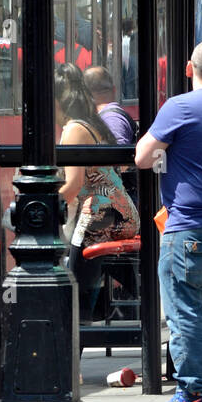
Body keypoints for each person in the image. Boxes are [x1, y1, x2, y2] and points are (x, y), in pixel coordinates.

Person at [134, 41, 202, 402]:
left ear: (188, 68)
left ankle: (194, 392)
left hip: (186, 227)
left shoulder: (178, 107)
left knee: (185, 311)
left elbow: (142, 157)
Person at [56, 65, 135, 330]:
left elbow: (73, 185)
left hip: (99, 216)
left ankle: (70, 360)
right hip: (113, 213)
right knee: (81, 286)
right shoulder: (91, 121)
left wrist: (46, 203)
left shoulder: (74, 129)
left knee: (75, 290)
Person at [83, 65, 136, 145]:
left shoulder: (111, 118)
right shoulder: (109, 116)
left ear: (86, 94)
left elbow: (117, 153)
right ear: (114, 89)